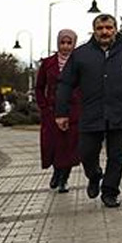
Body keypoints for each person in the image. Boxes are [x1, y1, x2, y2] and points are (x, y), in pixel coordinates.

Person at [55, 14, 122, 208]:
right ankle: (94, 176)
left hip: (121, 114)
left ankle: (110, 192)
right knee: (86, 153)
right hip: (91, 115)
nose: (105, 32)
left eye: (109, 28)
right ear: (94, 30)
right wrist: (61, 113)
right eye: (100, 28)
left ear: (115, 29)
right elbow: (65, 84)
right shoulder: (80, 55)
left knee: (117, 156)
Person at [36, 29, 82, 193]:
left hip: (73, 113)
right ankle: (56, 172)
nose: (65, 46)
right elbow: (40, 87)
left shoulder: (79, 63)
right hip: (51, 112)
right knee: (54, 146)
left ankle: (64, 179)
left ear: (74, 44)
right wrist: (44, 107)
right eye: (63, 42)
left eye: (69, 43)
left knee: (69, 147)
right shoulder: (48, 63)